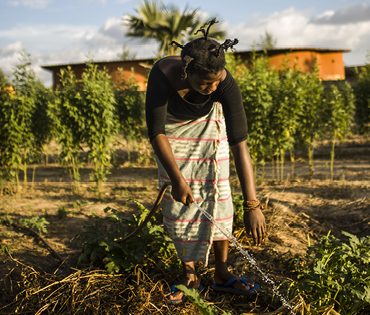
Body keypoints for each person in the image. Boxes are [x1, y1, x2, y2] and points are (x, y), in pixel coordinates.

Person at [145, 19, 266, 304]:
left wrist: (253, 204)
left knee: (220, 194)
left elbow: (239, 142)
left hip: (210, 130)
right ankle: (190, 276)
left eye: (217, 80)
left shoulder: (222, 81)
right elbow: (156, 131)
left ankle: (222, 274)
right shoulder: (162, 74)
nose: (212, 87)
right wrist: (177, 179)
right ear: (187, 71)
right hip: (173, 136)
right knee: (181, 204)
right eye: (204, 83)